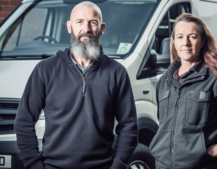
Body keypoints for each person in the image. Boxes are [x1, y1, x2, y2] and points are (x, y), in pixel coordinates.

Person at [14, 1, 138, 169]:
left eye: (92, 22)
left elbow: (129, 127)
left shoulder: (117, 73)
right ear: (69, 26)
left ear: (101, 28)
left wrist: (118, 165)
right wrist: (34, 165)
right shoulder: (45, 70)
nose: (86, 29)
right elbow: (23, 121)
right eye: (79, 21)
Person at [149, 13, 217, 169]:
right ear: (173, 42)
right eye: (180, 37)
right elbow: (164, 125)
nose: (186, 43)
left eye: (192, 36)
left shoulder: (216, 78)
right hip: (163, 165)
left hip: (204, 165)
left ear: (202, 42)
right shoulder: (164, 81)